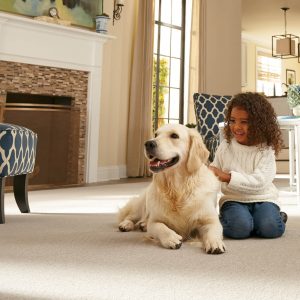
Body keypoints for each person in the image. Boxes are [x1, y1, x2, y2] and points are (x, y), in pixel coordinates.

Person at [209, 92, 287, 239]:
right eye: (232, 120)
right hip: (233, 200)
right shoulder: (225, 146)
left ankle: (277, 217)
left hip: (264, 199)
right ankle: (248, 222)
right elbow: (213, 174)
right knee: (239, 229)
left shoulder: (266, 149)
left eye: (244, 122)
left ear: (259, 123)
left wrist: (226, 176)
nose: (236, 127)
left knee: (270, 228)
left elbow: (260, 182)